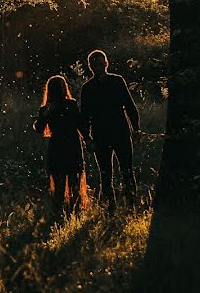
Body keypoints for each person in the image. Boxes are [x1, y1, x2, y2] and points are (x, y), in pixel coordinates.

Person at [80, 50, 139, 211]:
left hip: (121, 132)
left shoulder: (117, 81)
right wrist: (88, 139)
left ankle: (131, 206)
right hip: (101, 135)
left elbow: (130, 106)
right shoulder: (87, 88)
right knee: (105, 173)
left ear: (106, 64)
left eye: (100, 64)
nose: (97, 68)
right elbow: (83, 117)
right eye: (94, 65)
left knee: (127, 170)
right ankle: (110, 208)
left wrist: (136, 129)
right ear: (90, 67)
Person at [33, 75, 89, 218]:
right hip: (71, 144)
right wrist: (88, 140)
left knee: (60, 184)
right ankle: (74, 213)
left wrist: (45, 114)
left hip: (58, 145)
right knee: (73, 182)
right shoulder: (70, 104)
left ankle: (61, 213)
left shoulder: (49, 107)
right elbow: (80, 125)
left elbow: (39, 129)